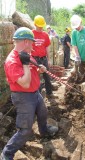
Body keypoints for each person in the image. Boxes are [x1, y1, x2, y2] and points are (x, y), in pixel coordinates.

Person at [1, 27, 58, 160]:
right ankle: (7, 154)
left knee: (43, 112)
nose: (33, 45)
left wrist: (40, 70)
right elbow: (25, 83)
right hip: (23, 96)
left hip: (34, 93)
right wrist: (25, 64)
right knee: (25, 130)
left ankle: (44, 131)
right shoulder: (12, 61)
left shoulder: (26, 54)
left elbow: (32, 71)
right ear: (26, 41)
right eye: (32, 42)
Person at [31, 15, 54, 98]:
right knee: (36, 78)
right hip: (34, 59)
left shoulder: (45, 35)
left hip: (44, 59)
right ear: (35, 24)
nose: (40, 28)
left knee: (47, 76)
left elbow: (47, 47)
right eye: (39, 26)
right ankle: (38, 96)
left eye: (42, 26)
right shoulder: (31, 34)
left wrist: (49, 59)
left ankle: (49, 93)